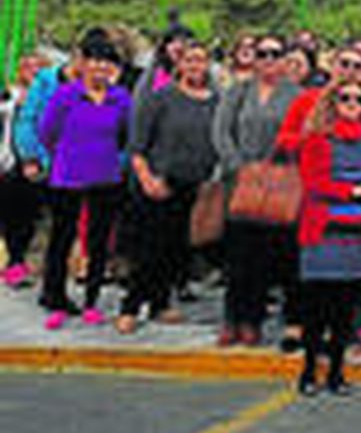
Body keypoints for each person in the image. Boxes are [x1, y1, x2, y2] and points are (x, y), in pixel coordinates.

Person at [117, 41, 218, 334]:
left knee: (175, 250)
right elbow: (137, 145)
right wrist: (147, 178)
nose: (195, 66)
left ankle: (160, 302)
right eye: (189, 60)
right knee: (150, 249)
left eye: (201, 60)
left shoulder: (217, 101)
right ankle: (131, 306)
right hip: (161, 182)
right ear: (179, 64)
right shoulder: (161, 98)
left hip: (197, 185)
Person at [296, 80, 361, 397]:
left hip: (358, 234)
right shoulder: (317, 139)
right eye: (344, 98)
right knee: (316, 308)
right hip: (323, 233)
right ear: (331, 102)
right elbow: (313, 183)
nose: (351, 104)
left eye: (359, 100)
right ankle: (308, 371)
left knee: (346, 310)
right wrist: (356, 191)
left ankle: (336, 372)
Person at [213, 34, 303, 348]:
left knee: (266, 257)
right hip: (240, 183)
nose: (267, 60)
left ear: (284, 59)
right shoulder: (238, 91)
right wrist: (238, 166)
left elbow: (302, 135)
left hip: (278, 184)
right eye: (261, 54)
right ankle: (232, 319)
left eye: (274, 54)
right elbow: (222, 131)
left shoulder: (296, 95)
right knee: (237, 256)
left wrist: (278, 161)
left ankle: (253, 320)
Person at [38, 34, 132, 330]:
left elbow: (124, 135)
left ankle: (92, 298)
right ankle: (54, 295)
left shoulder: (121, 98)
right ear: (83, 65)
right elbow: (47, 131)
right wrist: (64, 155)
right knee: (62, 237)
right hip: (67, 175)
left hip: (105, 174)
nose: (100, 70)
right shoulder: (66, 94)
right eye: (95, 63)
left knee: (99, 239)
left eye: (107, 64)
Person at [2, 55, 46, 289]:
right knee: (12, 212)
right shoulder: (11, 94)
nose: (34, 71)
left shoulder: (48, 95)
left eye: (39, 67)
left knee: (28, 213)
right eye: (28, 67)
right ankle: (14, 261)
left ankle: (18, 261)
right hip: (9, 161)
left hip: (37, 162)